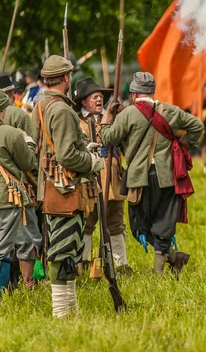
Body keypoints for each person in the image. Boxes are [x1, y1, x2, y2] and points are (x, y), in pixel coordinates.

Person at [100, 72, 203, 275]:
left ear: (134, 94)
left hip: (140, 178)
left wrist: (107, 117)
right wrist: (183, 144)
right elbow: (197, 126)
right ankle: (174, 259)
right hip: (167, 177)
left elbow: (107, 137)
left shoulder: (127, 114)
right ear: (152, 92)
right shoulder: (171, 111)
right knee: (163, 223)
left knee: (140, 224)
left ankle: (159, 275)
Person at [32, 55, 103, 317]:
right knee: (64, 250)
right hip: (64, 188)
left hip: (51, 185)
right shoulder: (61, 109)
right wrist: (91, 162)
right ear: (65, 78)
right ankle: (62, 312)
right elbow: (65, 155)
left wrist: (84, 147)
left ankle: (70, 308)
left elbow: (43, 149)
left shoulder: (41, 105)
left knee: (69, 247)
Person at [0, 88, 38, 301]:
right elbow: (28, 163)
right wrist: (29, 142)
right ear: (2, 109)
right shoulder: (11, 133)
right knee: (1, 248)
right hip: (6, 197)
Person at [75, 78, 132, 273]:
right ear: (83, 101)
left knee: (116, 224)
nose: (99, 99)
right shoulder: (78, 122)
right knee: (87, 224)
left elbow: (121, 138)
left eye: (101, 96)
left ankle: (120, 264)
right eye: (94, 96)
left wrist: (116, 114)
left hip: (113, 178)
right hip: (90, 179)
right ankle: (83, 263)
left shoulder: (112, 119)